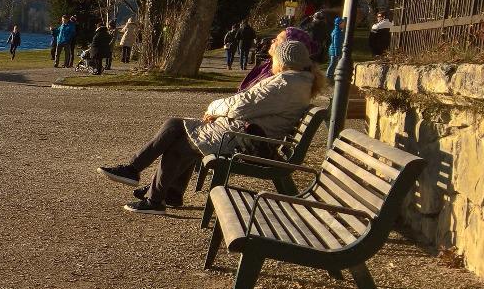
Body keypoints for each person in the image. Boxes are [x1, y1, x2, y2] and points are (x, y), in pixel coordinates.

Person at [98, 39, 324, 213]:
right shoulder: (296, 82)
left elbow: (241, 105)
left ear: (283, 60)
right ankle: (166, 190)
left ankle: (153, 197)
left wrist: (214, 108)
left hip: (249, 143)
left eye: (273, 58)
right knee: (177, 126)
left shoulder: (285, 83)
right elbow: (248, 104)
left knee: (181, 141)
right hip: (250, 136)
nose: (271, 62)